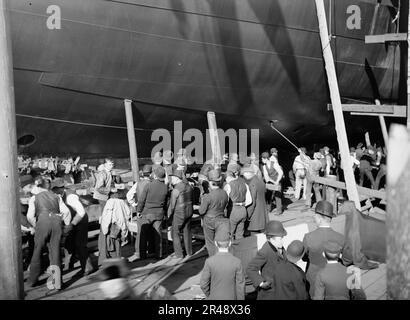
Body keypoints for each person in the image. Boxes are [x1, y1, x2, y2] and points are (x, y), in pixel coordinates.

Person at [26, 178, 71, 289]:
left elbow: (29, 216)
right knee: (55, 252)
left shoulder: (34, 198)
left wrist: (35, 225)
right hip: (56, 222)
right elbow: (66, 212)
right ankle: (57, 283)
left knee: (37, 251)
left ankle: (32, 280)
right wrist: (65, 225)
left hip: (42, 222)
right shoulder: (57, 197)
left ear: (39, 187)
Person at [303, 200, 345, 297]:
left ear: (320, 218)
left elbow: (304, 257)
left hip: (313, 279)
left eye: (315, 215)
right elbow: (347, 259)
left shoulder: (309, 237)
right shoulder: (340, 238)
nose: (314, 217)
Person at [52, 182, 91, 275]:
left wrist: (72, 224)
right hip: (72, 220)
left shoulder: (70, 197)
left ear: (59, 188)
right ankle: (69, 265)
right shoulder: (60, 196)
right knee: (70, 243)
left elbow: (81, 211)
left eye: (54, 189)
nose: (52, 192)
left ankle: (88, 268)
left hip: (80, 220)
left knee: (80, 244)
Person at [200, 223, 245, 300]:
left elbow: (203, 284)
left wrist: (210, 295)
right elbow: (240, 286)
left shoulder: (209, 262)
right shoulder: (237, 262)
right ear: (230, 243)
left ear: (216, 244)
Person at [246, 220, 290, 300]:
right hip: (271, 291)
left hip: (282, 288)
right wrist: (261, 283)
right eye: (280, 238)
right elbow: (250, 268)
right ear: (271, 239)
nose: (283, 241)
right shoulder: (265, 251)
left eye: (282, 238)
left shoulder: (279, 247)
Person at [136, 166, 169, 260]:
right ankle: (159, 254)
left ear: (155, 175)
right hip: (159, 213)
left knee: (143, 235)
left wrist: (138, 210)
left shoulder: (149, 185)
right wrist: (165, 213)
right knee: (158, 234)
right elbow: (167, 202)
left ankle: (142, 255)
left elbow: (142, 200)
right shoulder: (165, 187)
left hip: (147, 213)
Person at [198, 170, 229, 256]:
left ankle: (213, 259)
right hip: (221, 218)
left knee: (210, 242)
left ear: (210, 182)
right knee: (219, 241)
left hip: (209, 220)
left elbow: (201, 211)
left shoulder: (208, 196)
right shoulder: (224, 193)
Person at [128, 165, 153, 262]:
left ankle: (139, 251)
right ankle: (151, 250)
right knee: (151, 231)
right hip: (151, 210)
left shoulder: (138, 184)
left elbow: (129, 195)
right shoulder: (153, 184)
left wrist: (134, 204)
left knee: (141, 232)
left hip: (141, 211)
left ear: (142, 173)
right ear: (151, 174)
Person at [98, 191, 131, 266]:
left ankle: (112, 264)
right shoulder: (122, 201)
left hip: (112, 227)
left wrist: (105, 229)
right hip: (120, 226)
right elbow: (128, 213)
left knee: (110, 245)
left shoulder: (110, 202)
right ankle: (118, 261)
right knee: (117, 245)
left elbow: (107, 216)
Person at [168, 167, 194, 258]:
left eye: (173, 177)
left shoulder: (176, 190)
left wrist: (169, 216)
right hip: (190, 211)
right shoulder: (189, 186)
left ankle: (179, 254)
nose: (171, 179)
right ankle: (189, 252)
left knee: (175, 232)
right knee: (187, 231)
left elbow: (172, 206)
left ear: (177, 178)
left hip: (180, 213)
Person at [224, 164, 252, 240]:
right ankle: (240, 249)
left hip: (233, 210)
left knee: (230, 234)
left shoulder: (228, 186)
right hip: (243, 210)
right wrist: (242, 204)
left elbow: (225, 201)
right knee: (240, 234)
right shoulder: (245, 184)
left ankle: (231, 250)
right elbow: (249, 201)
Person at [242, 165, 268, 235]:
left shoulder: (252, 184)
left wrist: (248, 215)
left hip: (255, 216)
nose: (244, 176)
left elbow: (252, 202)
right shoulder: (260, 181)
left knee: (254, 239)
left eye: (244, 173)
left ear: (248, 173)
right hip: (263, 214)